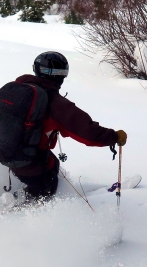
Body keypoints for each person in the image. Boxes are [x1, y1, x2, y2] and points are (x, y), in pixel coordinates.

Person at [11, 51, 127, 200]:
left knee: (52, 163)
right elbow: (87, 132)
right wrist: (114, 137)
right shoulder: (54, 103)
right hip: (27, 159)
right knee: (46, 186)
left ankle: (25, 192)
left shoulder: (19, 89)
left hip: (6, 150)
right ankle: (16, 206)